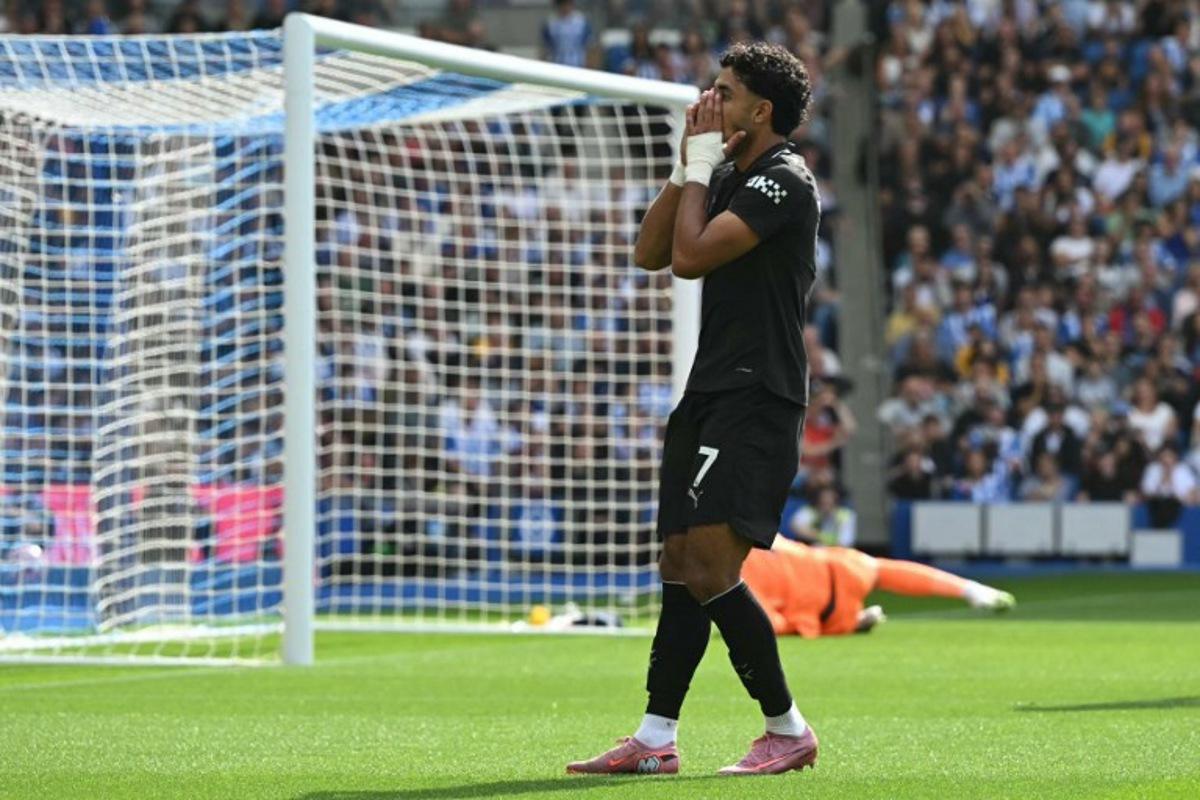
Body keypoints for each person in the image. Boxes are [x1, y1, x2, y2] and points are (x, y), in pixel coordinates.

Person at [567, 42, 819, 777]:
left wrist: (705, 167)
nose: (709, 103)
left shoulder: (783, 180)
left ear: (760, 112)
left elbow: (692, 257)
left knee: (711, 564)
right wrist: (687, 167)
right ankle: (654, 738)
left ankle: (787, 729)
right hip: (711, 388)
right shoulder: (730, 172)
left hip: (758, 393)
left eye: (725, 92)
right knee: (678, 562)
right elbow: (650, 251)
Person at [741, 536, 1015, 638]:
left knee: (883, 572)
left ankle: (970, 589)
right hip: (836, 565)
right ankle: (969, 588)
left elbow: (770, 624)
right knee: (884, 570)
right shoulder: (749, 536)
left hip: (829, 604)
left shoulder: (736, 576)